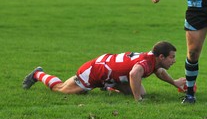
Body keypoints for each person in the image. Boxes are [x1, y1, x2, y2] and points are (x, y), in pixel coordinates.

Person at [22, 41, 186, 102]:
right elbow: (134, 74)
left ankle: (109, 86)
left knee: (141, 91)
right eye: (172, 57)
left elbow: (160, 72)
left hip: (110, 72)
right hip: (94, 72)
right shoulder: (145, 62)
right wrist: (138, 100)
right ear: (161, 56)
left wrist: (175, 83)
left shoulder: (153, 59)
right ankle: (38, 74)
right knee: (61, 90)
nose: (174, 60)